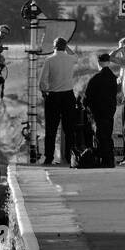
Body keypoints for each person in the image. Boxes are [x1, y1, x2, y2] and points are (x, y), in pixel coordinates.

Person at [39, 36, 78, 166]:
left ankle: (49, 157)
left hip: (54, 96)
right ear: (64, 47)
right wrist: (66, 46)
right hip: (68, 95)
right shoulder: (70, 59)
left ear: (54, 46)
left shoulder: (49, 60)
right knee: (69, 129)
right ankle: (69, 156)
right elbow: (75, 55)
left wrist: (44, 91)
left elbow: (42, 80)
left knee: (51, 129)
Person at [83, 52, 118, 167]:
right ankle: (110, 159)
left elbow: (87, 97)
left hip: (98, 111)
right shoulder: (113, 78)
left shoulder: (96, 78)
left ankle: (104, 160)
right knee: (108, 134)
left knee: (100, 136)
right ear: (108, 63)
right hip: (110, 110)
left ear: (99, 63)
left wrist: (86, 107)